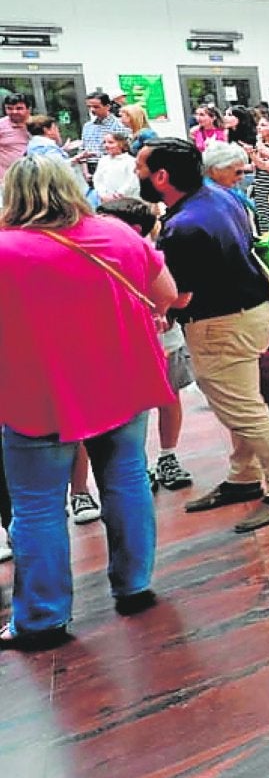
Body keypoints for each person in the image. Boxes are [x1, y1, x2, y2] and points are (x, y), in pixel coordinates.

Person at [0, 158, 179, 648]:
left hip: (37, 393)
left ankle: (42, 620)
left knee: (37, 506)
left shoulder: (5, 250)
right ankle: (134, 585)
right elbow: (167, 296)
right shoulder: (118, 234)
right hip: (121, 381)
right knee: (125, 480)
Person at [130, 140, 269, 533]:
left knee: (244, 409)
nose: (136, 174)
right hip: (247, 314)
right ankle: (244, 477)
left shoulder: (182, 227)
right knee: (241, 401)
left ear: (162, 177)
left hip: (222, 324)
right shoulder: (221, 197)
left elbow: (181, 295)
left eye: (140, 168)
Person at [95, 196, 195, 490]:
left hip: (160, 336)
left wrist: (159, 311)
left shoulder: (149, 252)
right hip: (149, 335)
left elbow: (178, 296)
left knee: (168, 396)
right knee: (145, 402)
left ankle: (166, 456)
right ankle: (139, 462)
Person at [90, 130, 139, 201]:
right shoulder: (103, 160)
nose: (106, 145)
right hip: (106, 199)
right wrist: (102, 194)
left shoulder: (130, 161)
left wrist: (118, 194)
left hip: (126, 200)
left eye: (110, 142)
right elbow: (97, 178)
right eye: (104, 142)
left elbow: (132, 181)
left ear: (121, 144)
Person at [0, 91, 30, 175]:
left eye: (19, 108)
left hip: (33, 178)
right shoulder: (1, 125)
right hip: (6, 180)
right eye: (9, 108)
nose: (14, 112)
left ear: (28, 109)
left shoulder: (38, 124)